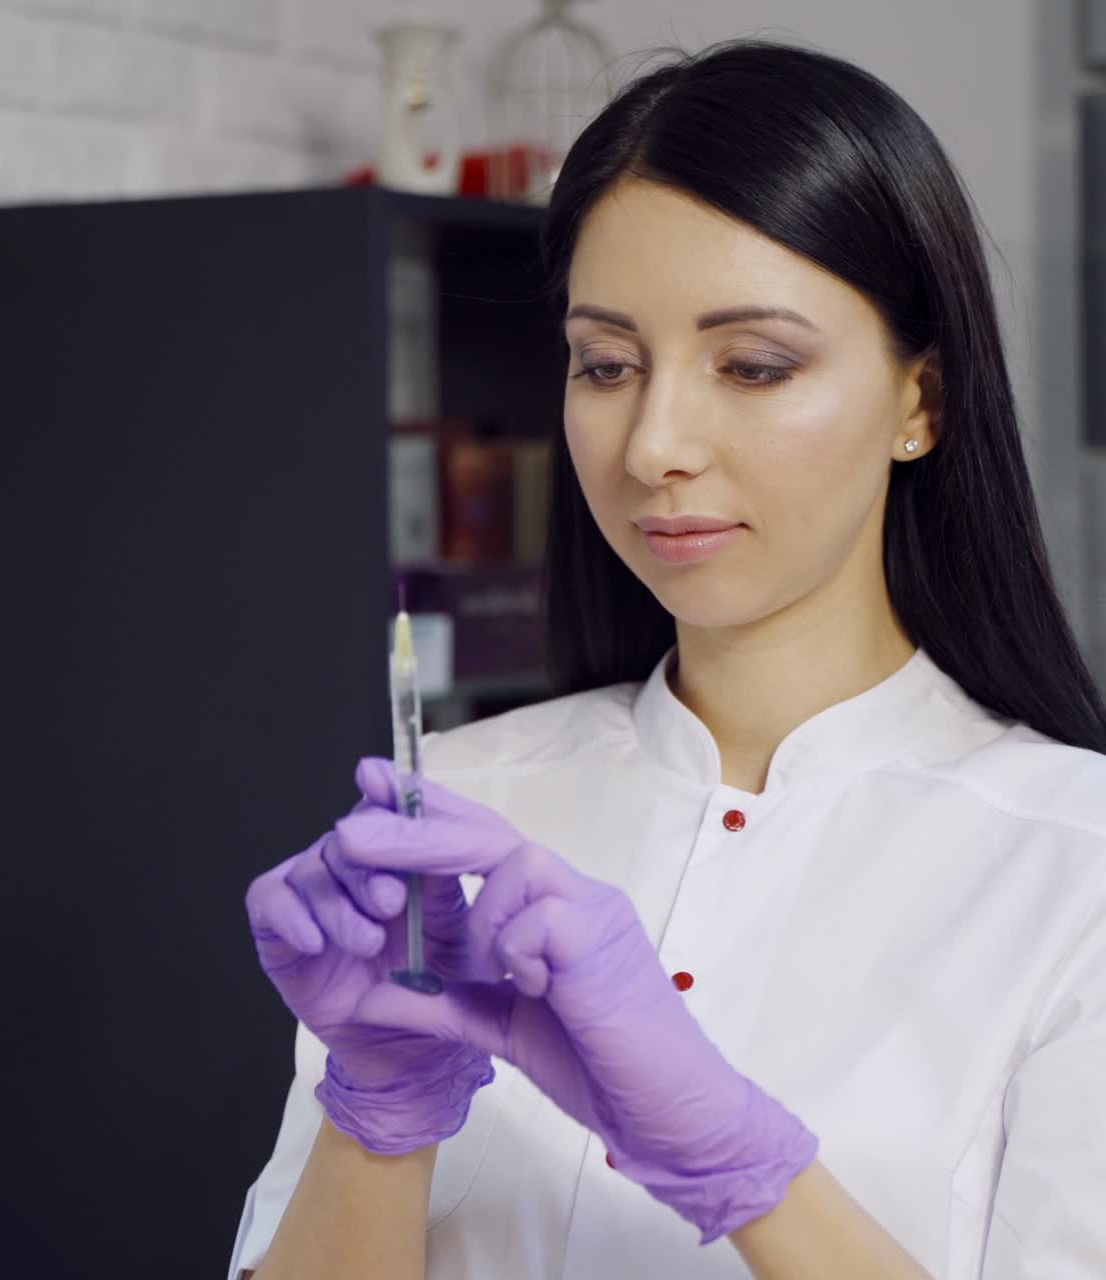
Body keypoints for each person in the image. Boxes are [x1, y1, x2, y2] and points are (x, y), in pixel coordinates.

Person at [230, 36, 1106, 1280]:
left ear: (921, 399)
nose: (653, 444)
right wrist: (380, 1106)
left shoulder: (1073, 872)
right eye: (605, 364)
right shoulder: (459, 811)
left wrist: (744, 1164)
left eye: (751, 364)